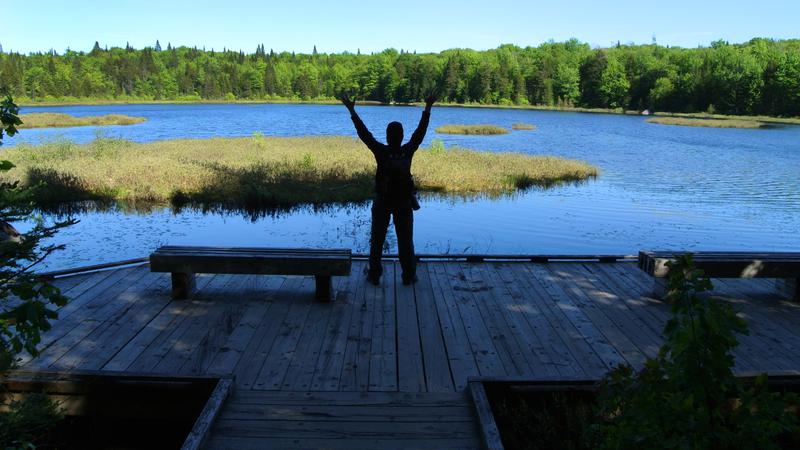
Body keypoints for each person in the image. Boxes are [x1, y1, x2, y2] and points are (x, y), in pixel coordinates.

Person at [338, 91, 437, 286]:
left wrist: (352, 110)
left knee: (377, 240)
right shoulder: (407, 151)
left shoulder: (381, 152)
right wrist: (428, 107)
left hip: (382, 201)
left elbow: (364, 134)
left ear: (387, 136)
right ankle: (409, 276)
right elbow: (420, 132)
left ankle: (374, 275)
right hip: (404, 202)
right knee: (405, 241)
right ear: (401, 136)